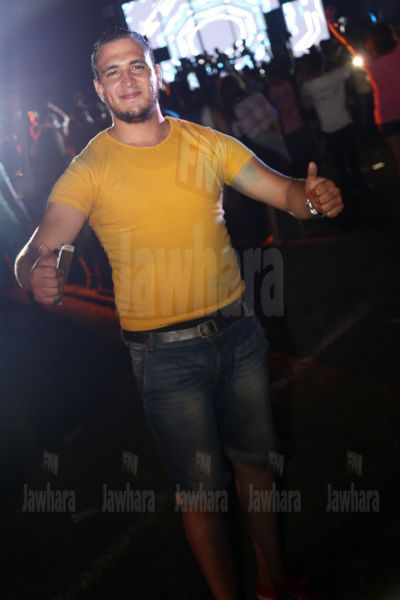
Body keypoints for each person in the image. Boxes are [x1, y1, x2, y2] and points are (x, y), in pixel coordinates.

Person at [14, 28, 342, 600]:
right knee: (202, 495)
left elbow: (285, 192)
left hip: (239, 337)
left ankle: (273, 582)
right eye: (112, 71)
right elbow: (34, 254)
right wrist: (36, 273)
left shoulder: (206, 143)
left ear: (156, 73)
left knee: (257, 468)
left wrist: (311, 200)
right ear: (100, 89)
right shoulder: (89, 168)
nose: (127, 79)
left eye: (136, 66)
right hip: (165, 359)